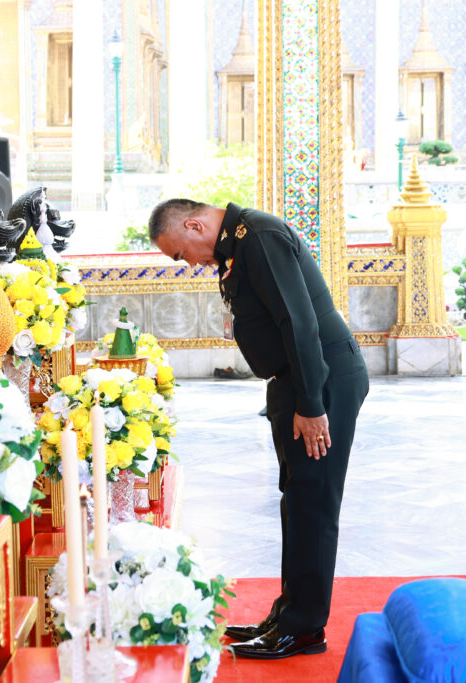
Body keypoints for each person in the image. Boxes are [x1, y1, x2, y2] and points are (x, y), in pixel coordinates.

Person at [148, 199, 369, 660]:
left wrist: (311, 403)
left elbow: (298, 320)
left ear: (194, 225)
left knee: (313, 501)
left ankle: (304, 628)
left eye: (181, 253)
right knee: (297, 499)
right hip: (295, 381)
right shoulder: (237, 247)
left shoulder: (258, 237)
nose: (189, 264)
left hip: (321, 378)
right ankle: (288, 613)